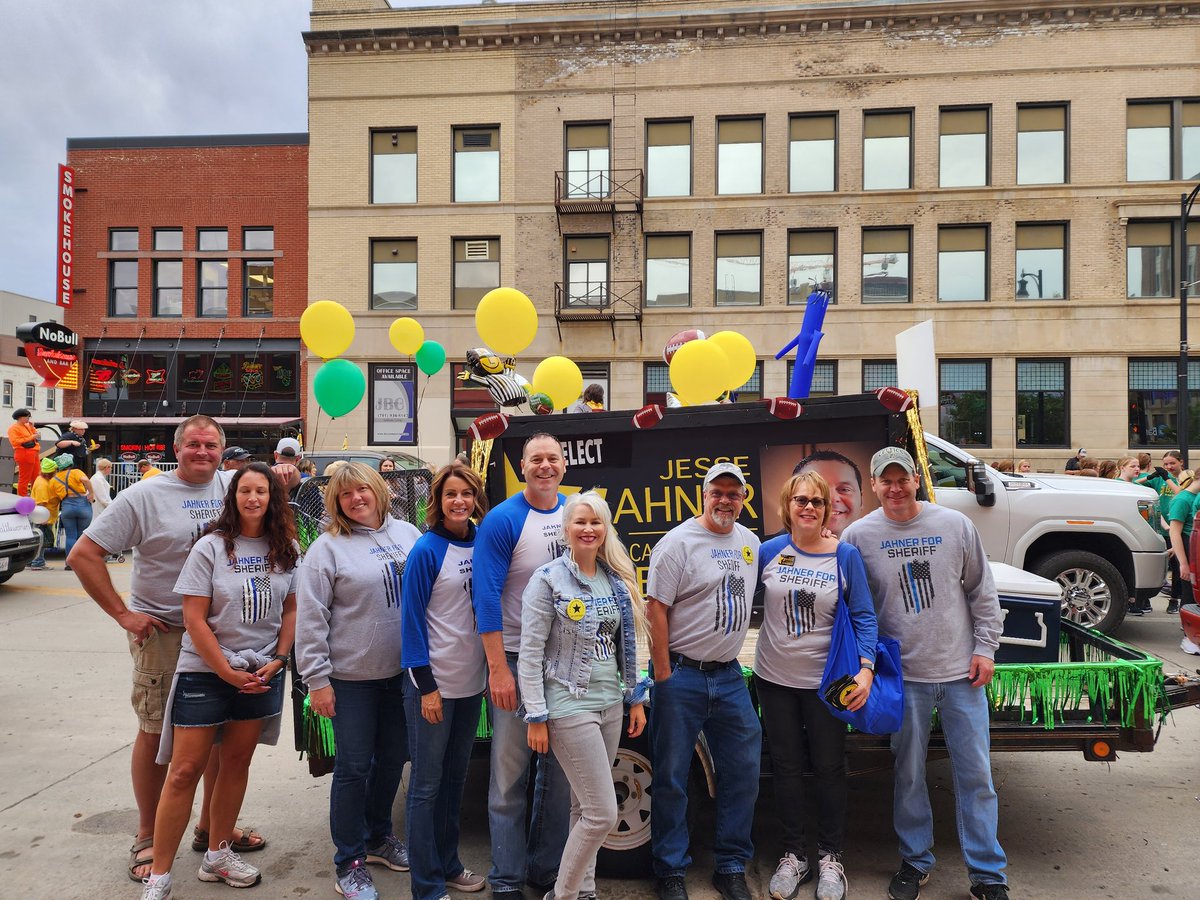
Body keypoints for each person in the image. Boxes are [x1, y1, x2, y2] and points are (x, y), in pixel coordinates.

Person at [68, 416, 270, 882]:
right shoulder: (143, 496)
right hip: (164, 633)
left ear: (223, 449)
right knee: (157, 735)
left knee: (220, 735)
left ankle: (211, 831)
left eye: (211, 444)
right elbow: (83, 554)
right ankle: (147, 836)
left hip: (224, 635)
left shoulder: (232, 487)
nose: (203, 452)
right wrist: (124, 614)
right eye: (193, 444)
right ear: (175, 449)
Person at [842, 447, 1008, 900]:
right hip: (904, 679)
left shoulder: (954, 526)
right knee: (909, 773)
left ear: (916, 479)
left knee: (976, 775)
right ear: (873, 487)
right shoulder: (858, 536)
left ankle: (988, 875)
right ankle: (915, 861)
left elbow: (981, 590)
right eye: (885, 481)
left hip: (960, 675)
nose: (895, 488)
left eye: (902, 479)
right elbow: (856, 610)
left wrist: (986, 649)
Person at [139, 462, 299, 899]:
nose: (252, 498)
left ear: (272, 498)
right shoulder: (210, 547)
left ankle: (217, 854)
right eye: (244, 490)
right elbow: (193, 617)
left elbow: (290, 609)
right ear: (233, 497)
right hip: (205, 672)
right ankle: (159, 876)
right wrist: (226, 670)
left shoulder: (285, 547)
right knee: (184, 770)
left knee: (235, 764)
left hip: (261, 670)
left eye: (261, 492)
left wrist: (280, 658)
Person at [295, 462, 421, 900]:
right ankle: (348, 860)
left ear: (379, 491)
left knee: (392, 760)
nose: (356, 499)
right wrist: (317, 681)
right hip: (350, 679)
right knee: (352, 767)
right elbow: (310, 620)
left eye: (363, 490)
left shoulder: (408, 534)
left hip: (402, 676)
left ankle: (378, 838)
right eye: (346, 494)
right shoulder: (326, 550)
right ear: (336, 501)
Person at [519, 490, 649, 900]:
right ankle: (563, 895)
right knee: (603, 813)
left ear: (605, 528)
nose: (588, 529)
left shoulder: (613, 578)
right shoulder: (547, 580)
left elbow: (627, 644)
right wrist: (536, 715)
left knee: (582, 807)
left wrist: (635, 696)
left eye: (596, 522)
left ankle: (584, 892)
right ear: (567, 528)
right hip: (568, 705)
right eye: (580, 522)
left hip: (610, 704)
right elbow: (530, 652)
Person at [757, 471, 877, 900]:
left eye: (817, 502)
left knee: (829, 769)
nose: (808, 507)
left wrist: (865, 670)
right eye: (800, 500)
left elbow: (864, 616)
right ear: (787, 505)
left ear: (828, 510)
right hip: (774, 681)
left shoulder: (844, 556)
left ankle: (831, 857)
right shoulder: (768, 551)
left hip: (828, 685)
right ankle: (794, 856)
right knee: (786, 769)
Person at [647, 461, 762, 900]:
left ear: (743, 499)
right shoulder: (677, 543)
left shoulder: (750, 543)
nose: (725, 500)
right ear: (703, 494)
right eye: (718, 492)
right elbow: (656, 606)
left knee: (743, 771)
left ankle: (730, 864)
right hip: (683, 675)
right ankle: (671, 869)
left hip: (729, 676)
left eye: (734, 494)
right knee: (672, 776)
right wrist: (662, 673)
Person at [472, 433, 571, 900]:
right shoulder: (503, 520)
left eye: (553, 458)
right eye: (536, 459)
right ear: (523, 467)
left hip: (566, 664)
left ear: (564, 465)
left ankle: (545, 871)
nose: (545, 466)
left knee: (558, 778)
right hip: (514, 659)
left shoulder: (577, 514)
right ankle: (507, 879)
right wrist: (497, 669)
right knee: (509, 779)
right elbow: (485, 596)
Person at [401, 462, 491, 900]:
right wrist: (427, 686)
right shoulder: (426, 550)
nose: (460, 501)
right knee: (426, 786)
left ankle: (449, 864)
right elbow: (411, 623)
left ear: (477, 498)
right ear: (437, 500)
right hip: (432, 688)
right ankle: (427, 885)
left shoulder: (482, 543)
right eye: (451, 494)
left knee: (455, 780)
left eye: (467, 494)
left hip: (471, 685)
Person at [793, 450, 864, 536]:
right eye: (817, 488)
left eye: (844, 489)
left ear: (861, 500)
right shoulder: (773, 547)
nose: (831, 500)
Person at [1166, 472, 1200, 615]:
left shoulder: (1193, 497)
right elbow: (1174, 532)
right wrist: (1183, 564)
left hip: (1192, 545)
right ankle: (1188, 629)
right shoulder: (1182, 499)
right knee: (1189, 592)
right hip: (1188, 547)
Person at [52, 450, 95, 564]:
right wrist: (91, 493)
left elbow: (54, 496)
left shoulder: (55, 478)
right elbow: (85, 480)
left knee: (70, 536)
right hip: (83, 505)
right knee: (81, 536)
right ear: (70, 463)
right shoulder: (76, 472)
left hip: (67, 506)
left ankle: (69, 562)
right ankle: (80, 563)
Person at [29, 456, 66, 571]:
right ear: (50, 472)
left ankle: (36, 561)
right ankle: (37, 562)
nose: (56, 472)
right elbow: (41, 504)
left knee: (41, 539)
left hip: (44, 516)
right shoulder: (42, 484)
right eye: (55, 470)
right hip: (43, 518)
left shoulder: (43, 480)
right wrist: (43, 519)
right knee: (42, 540)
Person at [8, 407, 40, 496]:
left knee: (36, 476)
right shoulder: (13, 428)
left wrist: (33, 428)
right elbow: (15, 441)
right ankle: (22, 497)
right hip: (24, 453)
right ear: (21, 417)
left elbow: (34, 435)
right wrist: (32, 437)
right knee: (25, 478)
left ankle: (35, 496)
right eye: (27, 417)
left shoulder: (26, 426)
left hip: (33, 452)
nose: (28, 419)